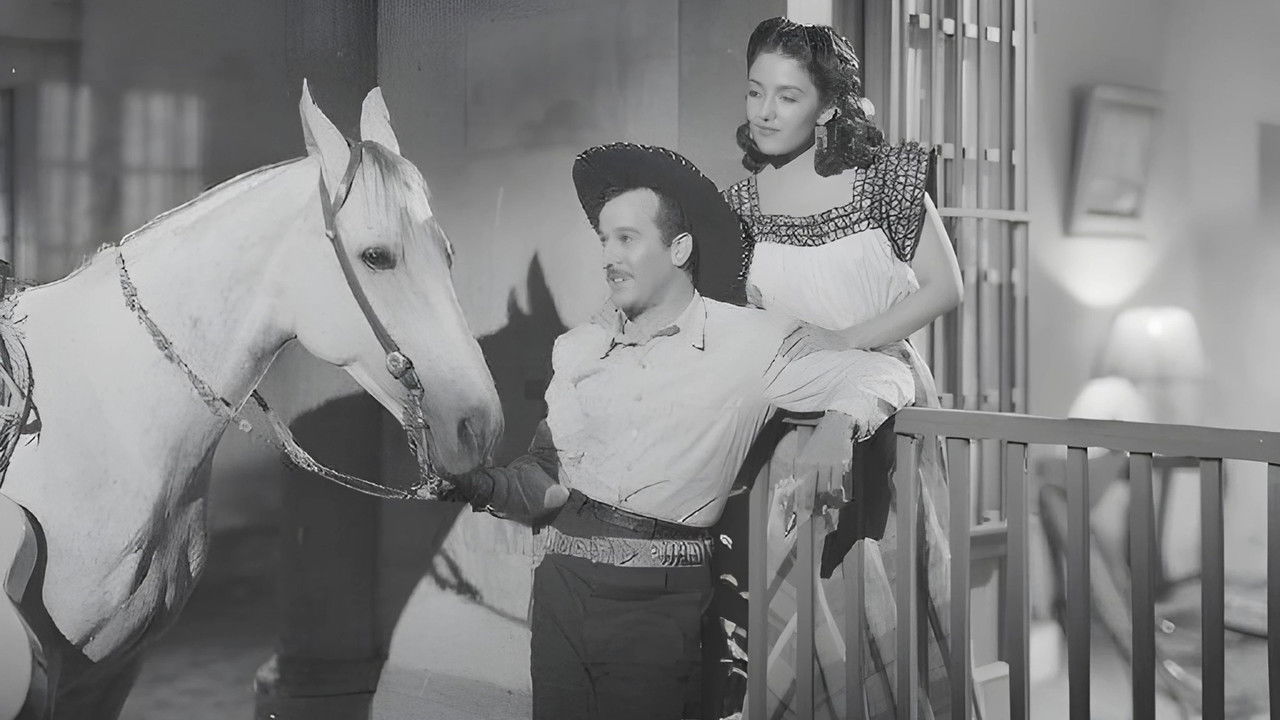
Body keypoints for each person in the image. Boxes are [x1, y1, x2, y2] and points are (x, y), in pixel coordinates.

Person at [448, 142, 918, 720]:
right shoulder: (579, 348)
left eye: (627, 239)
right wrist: (480, 485)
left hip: (658, 601)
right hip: (559, 588)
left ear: (679, 249)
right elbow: (549, 477)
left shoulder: (748, 341)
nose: (609, 257)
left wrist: (837, 428)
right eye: (604, 240)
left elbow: (885, 372)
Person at [713, 16, 965, 720]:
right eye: (756, 91)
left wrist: (844, 339)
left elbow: (945, 289)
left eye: (787, 96)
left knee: (881, 603)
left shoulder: (886, 181)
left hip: (886, 408)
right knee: (798, 620)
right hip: (787, 428)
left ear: (827, 107)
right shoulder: (738, 207)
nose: (765, 111)